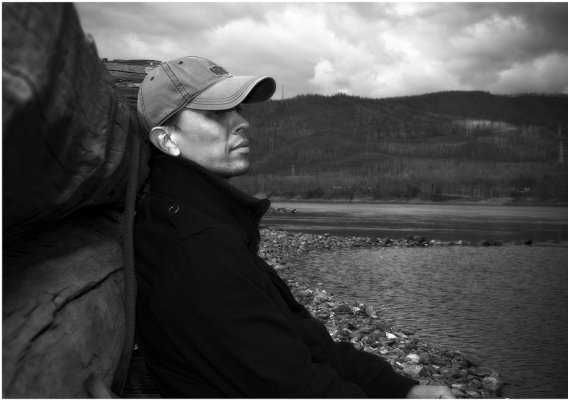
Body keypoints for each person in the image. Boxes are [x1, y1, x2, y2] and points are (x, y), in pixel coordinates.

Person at [134, 56, 454, 398]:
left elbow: (300, 344)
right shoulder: (197, 251)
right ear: (167, 140)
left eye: (237, 109)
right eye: (215, 113)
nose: (242, 122)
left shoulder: (208, 225)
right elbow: (295, 388)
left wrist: (401, 389)